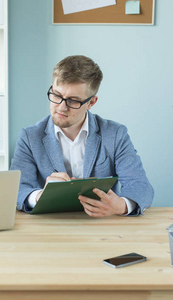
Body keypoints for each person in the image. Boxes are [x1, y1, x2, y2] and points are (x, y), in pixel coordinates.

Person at [10, 55, 154, 217]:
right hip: (50, 226)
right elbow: (16, 189)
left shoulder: (115, 134)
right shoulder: (30, 137)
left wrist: (121, 205)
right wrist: (39, 196)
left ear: (91, 103)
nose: (61, 107)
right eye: (57, 95)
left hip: (101, 226)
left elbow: (140, 185)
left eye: (73, 100)